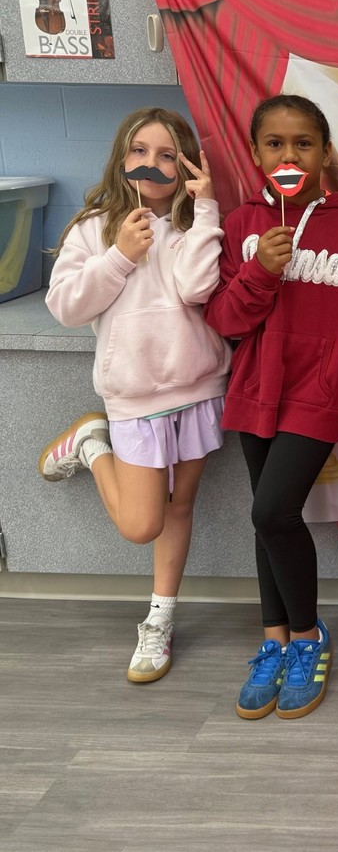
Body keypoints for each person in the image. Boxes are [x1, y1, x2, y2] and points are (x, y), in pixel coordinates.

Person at [205, 95, 338, 720]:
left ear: (325, 152)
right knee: (267, 521)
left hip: (320, 397)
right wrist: (260, 270)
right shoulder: (242, 225)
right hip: (254, 394)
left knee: (272, 510)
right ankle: (276, 642)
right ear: (255, 152)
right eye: (275, 143)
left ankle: (310, 637)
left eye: (303, 143)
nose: (289, 154)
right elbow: (225, 322)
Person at [40, 107, 230, 684]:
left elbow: (198, 289)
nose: (152, 163)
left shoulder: (194, 224)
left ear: (186, 165)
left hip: (198, 390)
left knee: (180, 507)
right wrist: (120, 253)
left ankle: (159, 618)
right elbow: (66, 307)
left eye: (168, 155)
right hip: (133, 399)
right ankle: (92, 443)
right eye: (140, 151)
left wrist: (206, 210)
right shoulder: (94, 228)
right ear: (122, 158)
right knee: (141, 525)